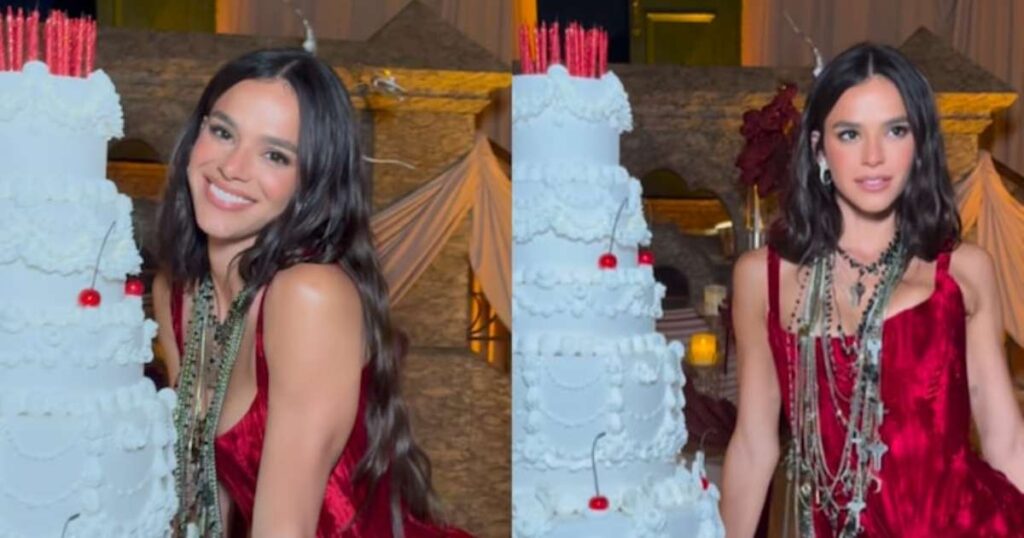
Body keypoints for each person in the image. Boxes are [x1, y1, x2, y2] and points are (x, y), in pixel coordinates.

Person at [151, 48, 472, 538]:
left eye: (275, 155)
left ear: (312, 183)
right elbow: (202, 494)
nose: (232, 167)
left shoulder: (309, 296)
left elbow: (287, 527)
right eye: (223, 132)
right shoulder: (177, 292)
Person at [721, 43, 1024, 537]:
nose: (874, 156)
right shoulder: (763, 279)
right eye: (850, 134)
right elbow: (754, 445)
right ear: (819, 148)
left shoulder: (963, 272)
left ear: (919, 143)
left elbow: (1006, 438)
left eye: (895, 130)